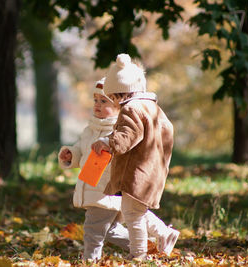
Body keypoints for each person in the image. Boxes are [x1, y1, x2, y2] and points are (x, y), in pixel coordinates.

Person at [92, 53, 180, 260]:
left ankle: (138, 255)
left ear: (118, 93)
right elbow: (166, 132)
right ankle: (165, 234)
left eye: (112, 97)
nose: (113, 102)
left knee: (133, 215)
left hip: (137, 172)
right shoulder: (152, 107)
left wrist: (108, 142)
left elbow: (127, 136)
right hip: (153, 169)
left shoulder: (130, 109)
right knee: (134, 210)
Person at [58, 78, 129, 260]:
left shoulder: (117, 132)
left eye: (104, 101)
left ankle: (90, 260)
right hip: (92, 186)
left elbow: (121, 156)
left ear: (118, 106)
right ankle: (143, 244)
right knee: (110, 230)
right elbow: (82, 149)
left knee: (92, 230)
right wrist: (71, 155)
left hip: (104, 190)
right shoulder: (89, 129)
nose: (97, 105)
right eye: (95, 100)